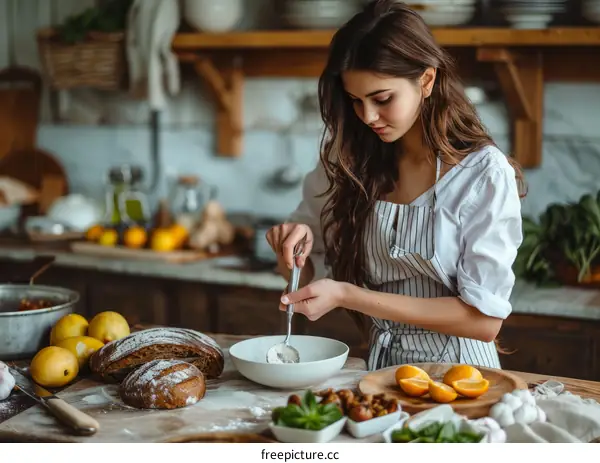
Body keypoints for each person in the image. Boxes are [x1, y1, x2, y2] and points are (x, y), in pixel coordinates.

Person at [265, 0, 525, 371]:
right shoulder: (349, 162)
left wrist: (348, 295)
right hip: (380, 373)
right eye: (355, 101)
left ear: (426, 80)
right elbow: (305, 274)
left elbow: (483, 321)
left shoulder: (481, 173)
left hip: (462, 379)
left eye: (382, 99)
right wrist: (292, 250)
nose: (368, 116)